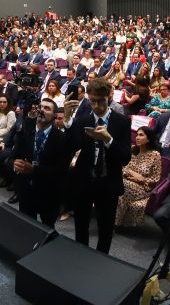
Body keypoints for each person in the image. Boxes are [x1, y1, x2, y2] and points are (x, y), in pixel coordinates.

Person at [64, 78, 131, 254]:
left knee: (105, 229)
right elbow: (70, 147)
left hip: (108, 184)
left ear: (109, 97)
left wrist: (108, 140)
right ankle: (82, 257)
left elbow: (125, 158)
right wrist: (67, 121)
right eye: (92, 101)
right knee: (81, 226)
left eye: (100, 101)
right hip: (84, 182)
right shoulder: (82, 120)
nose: (96, 106)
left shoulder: (122, 122)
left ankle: (101, 262)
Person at [12, 98, 70, 227]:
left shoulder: (61, 138)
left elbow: (61, 170)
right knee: (26, 226)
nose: (42, 110)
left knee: (47, 227)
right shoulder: (26, 131)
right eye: (41, 107)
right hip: (26, 188)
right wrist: (15, 163)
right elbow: (15, 155)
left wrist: (34, 169)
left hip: (49, 191)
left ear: (55, 116)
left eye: (47, 108)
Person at [115, 128, 162, 228]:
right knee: (121, 186)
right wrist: (134, 174)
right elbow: (122, 167)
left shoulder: (155, 155)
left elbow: (155, 178)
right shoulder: (132, 150)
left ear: (149, 138)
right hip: (126, 182)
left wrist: (141, 179)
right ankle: (115, 222)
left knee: (122, 187)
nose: (137, 137)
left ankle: (115, 222)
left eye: (141, 135)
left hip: (142, 188)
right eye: (137, 135)